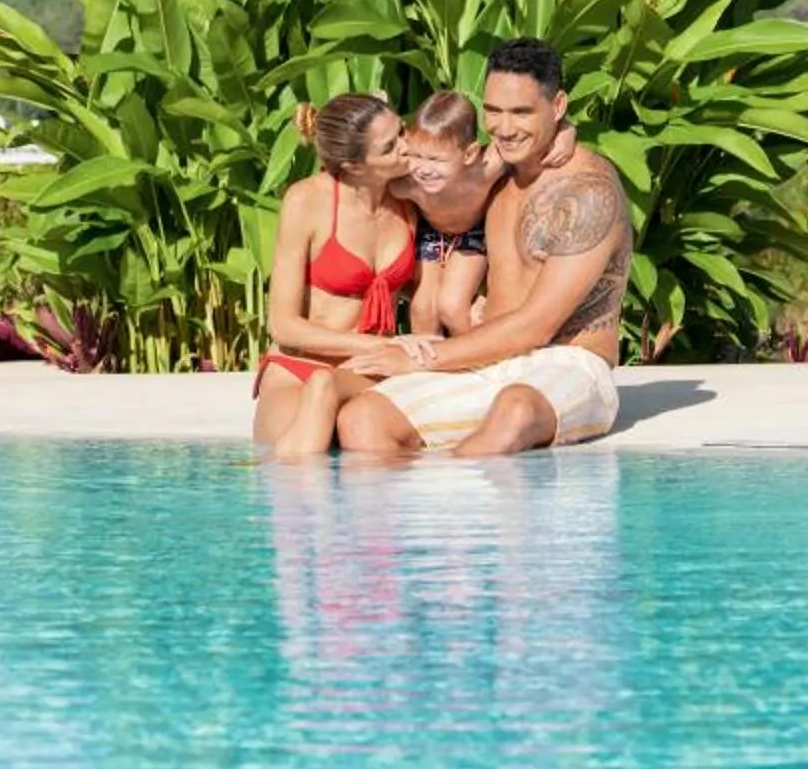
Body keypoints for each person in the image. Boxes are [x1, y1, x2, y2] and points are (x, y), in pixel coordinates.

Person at [332, 40, 627, 459]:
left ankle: (466, 496)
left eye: (522, 112)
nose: (504, 128)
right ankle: (426, 501)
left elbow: (538, 326)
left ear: (558, 106)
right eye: (493, 111)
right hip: (489, 360)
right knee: (362, 419)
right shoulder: (492, 169)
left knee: (514, 409)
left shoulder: (587, 191)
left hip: (568, 362)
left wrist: (425, 358)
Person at [251, 93, 418, 459]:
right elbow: (283, 325)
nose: (407, 147)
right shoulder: (307, 201)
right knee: (294, 459)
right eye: (390, 147)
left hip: (372, 373)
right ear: (353, 165)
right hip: (299, 367)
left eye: (402, 131)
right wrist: (377, 345)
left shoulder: (411, 200)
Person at [400, 89, 505, 338]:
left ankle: (473, 355)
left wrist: (565, 132)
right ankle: (427, 362)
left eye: (436, 159)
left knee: (452, 306)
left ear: (469, 154)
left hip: (472, 234)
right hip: (431, 234)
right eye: (416, 155)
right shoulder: (406, 184)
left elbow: (528, 138)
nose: (424, 169)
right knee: (422, 310)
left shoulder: (486, 170)